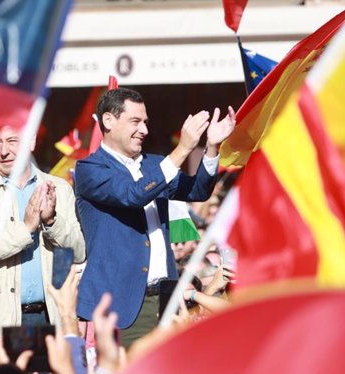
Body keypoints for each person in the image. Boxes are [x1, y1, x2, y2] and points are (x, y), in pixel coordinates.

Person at [74, 88, 235, 348]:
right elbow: (132, 195)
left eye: (145, 122)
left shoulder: (154, 164)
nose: (144, 130)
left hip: (168, 299)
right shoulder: (89, 170)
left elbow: (198, 191)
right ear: (108, 121)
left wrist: (212, 146)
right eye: (135, 121)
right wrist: (182, 149)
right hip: (123, 307)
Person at [0, 126, 86, 351]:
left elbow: (79, 251)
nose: (4, 151)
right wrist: (25, 229)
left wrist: (52, 220)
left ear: (31, 142)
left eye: (13, 141)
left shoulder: (59, 189)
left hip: (51, 318)